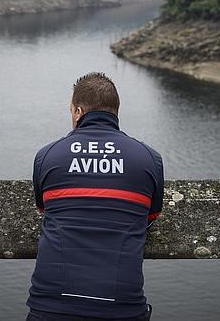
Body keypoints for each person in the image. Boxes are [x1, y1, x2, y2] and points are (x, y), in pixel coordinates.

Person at [27, 72, 164, 320]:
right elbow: (150, 216)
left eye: (71, 110)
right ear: (115, 112)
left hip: (51, 303)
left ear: (78, 112)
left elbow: (43, 210)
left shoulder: (47, 156)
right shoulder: (148, 159)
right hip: (121, 305)